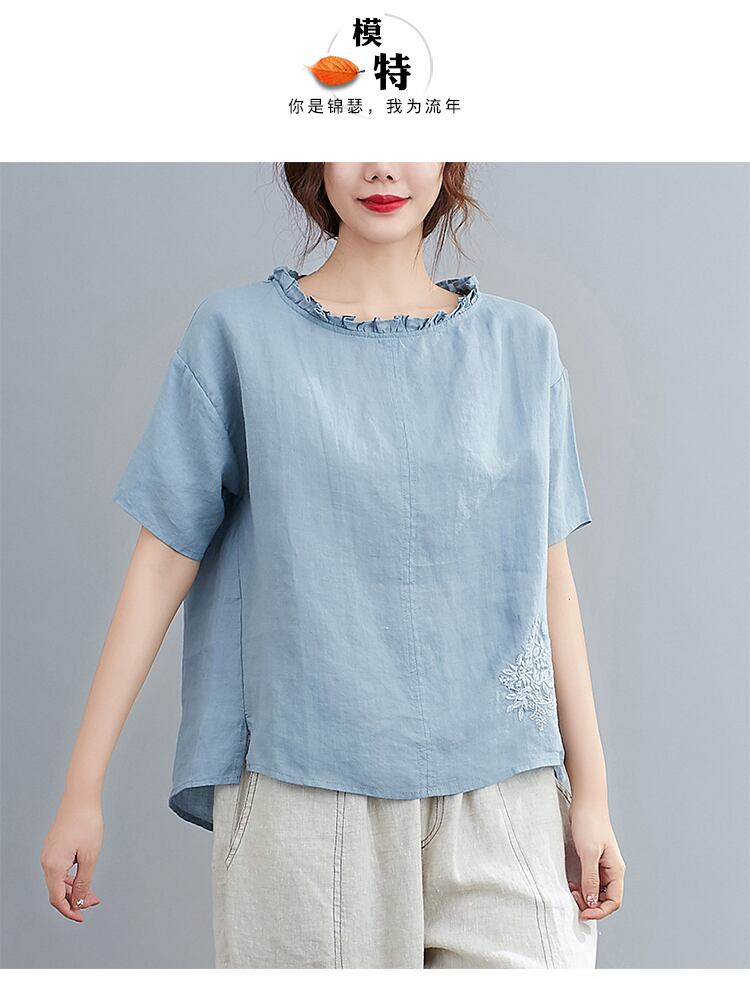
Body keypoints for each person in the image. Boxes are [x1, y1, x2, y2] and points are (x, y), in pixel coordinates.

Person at [40, 162, 626, 968]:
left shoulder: (523, 346)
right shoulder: (237, 335)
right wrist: (82, 787)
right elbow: (162, 560)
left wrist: (591, 794)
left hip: (506, 791)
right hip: (306, 798)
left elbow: (550, 578)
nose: (381, 165)